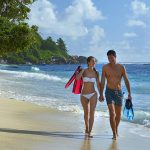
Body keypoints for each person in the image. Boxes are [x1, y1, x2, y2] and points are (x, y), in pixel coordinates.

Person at [100, 50, 132, 140]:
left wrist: (129, 93)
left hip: (118, 92)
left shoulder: (121, 67)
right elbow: (102, 81)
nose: (110, 59)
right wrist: (101, 94)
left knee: (118, 114)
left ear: (115, 57)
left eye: (112, 57)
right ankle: (114, 133)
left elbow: (126, 80)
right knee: (112, 113)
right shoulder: (105, 68)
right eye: (108, 58)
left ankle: (116, 129)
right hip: (109, 92)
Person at [76, 56, 101, 138]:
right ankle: (86, 128)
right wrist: (82, 71)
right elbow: (77, 78)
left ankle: (90, 131)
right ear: (88, 62)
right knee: (86, 113)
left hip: (93, 94)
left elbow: (98, 84)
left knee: (92, 113)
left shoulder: (96, 72)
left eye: (95, 61)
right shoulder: (84, 71)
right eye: (92, 61)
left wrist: (101, 94)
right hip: (83, 95)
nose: (94, 63)